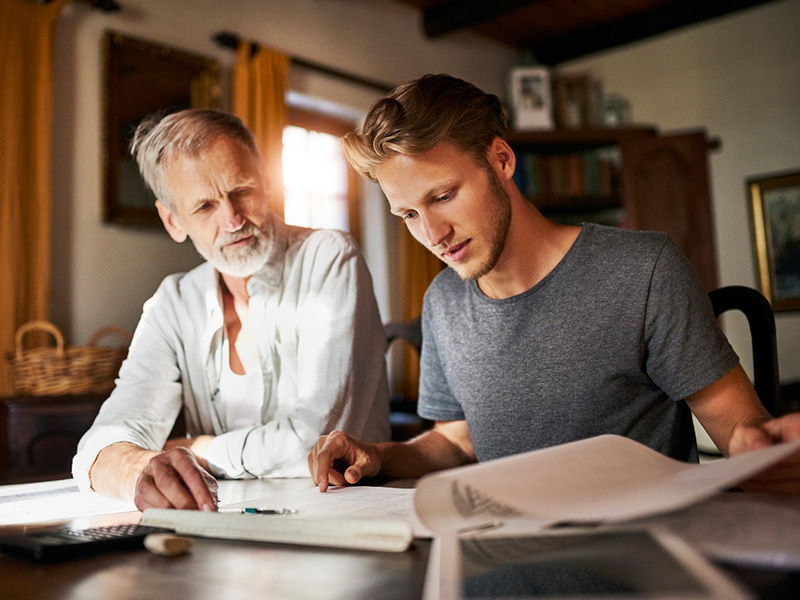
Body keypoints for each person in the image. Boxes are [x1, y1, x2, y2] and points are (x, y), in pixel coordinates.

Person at [308, 74, 800, 495]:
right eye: (409, 214)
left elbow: (737, 422)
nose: (433, 235)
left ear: (500, 160)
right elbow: (457, 441)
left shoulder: (642, 270)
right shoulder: (443, 303)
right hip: (495, 570)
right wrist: (377, 455)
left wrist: (759, 445)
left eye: (444, 195)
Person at [73, 109, 390, 511]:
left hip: (350, 513)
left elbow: (315, 442)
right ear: (173, 221)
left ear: (268, 183)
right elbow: (98, 446)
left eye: (241, 190)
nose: (233, 218)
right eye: (204, 207)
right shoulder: (174, 302)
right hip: (231, 523)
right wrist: (139, 467)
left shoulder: (328, 257)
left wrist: (198, 450)